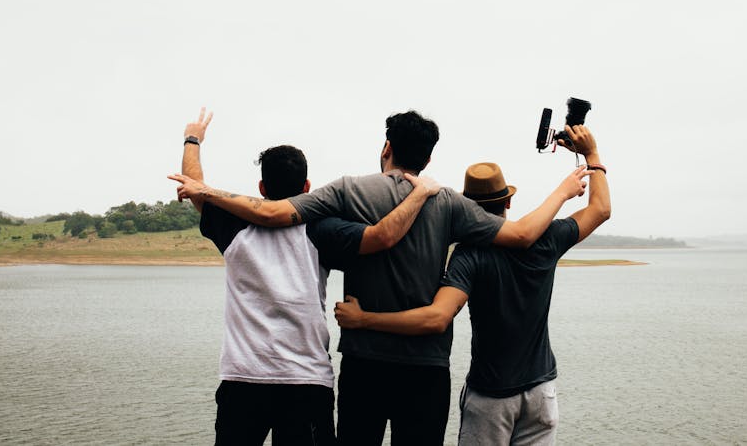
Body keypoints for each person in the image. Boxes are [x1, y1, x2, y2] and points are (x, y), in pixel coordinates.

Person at [169, 110, 592, 445]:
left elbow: (265, 210)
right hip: (420, 368)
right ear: (428, 159)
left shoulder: (344, 194)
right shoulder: (436, 203)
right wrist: (565, 189)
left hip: (355, 364)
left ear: (386, 146)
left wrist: (194, 148)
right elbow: (519, 234)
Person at [334, 125, 612, 446]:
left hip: (491, 397)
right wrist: (592, 155)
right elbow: (600, 209)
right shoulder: (547, 240)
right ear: (507, 202)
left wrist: (364, 319)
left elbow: (436, 318)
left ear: (468, 209)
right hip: (542, 393)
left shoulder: (469, 257)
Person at [178, 108, 439, 446]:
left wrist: (192, 139)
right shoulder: (321, 229)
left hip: (242, 380)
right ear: (307, 187)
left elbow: (194, 186)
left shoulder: (233, 227)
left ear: (261, 186)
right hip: (306, 382)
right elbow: (381, 236)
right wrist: (420, 193)